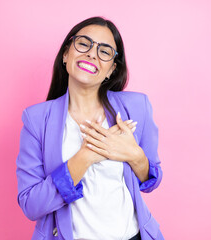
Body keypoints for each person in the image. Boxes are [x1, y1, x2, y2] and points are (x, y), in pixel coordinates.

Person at [16, 16, 164, 240]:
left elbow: (151, 180)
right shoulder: (36, 120)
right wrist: (84, 157)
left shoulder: (137, 107)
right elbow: (31, 205)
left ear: (111, 69)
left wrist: (135, 155)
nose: (92, 54)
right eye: (84, 44)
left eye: (104, 51)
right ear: (66, 55)